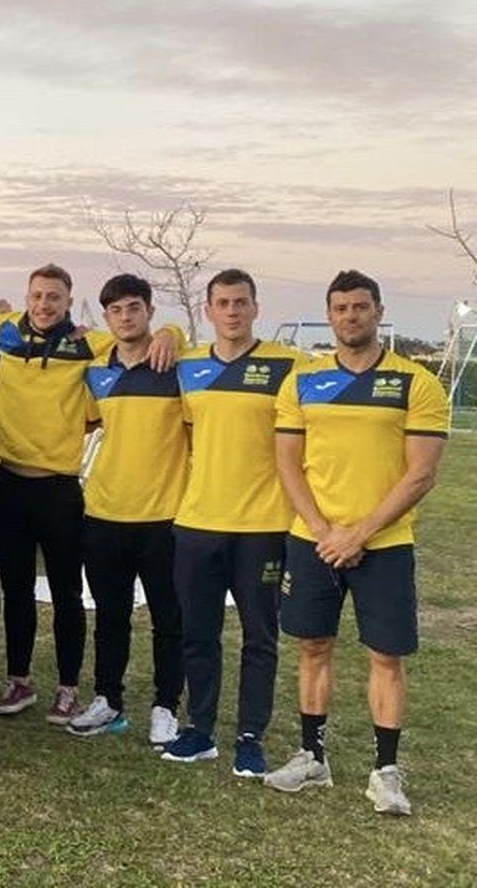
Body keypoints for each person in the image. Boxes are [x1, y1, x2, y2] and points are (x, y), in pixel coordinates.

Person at [264, 270, 449, 815]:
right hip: (314, 541)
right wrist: (325, 533)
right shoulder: (303, 382)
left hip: (384, 544)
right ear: (329, 315)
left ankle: (386, 771)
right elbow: (287, 464)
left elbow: (420, 475)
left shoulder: (415, 382)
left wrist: (360, 533)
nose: (351, 316)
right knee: (312, 646)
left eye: (361, 307)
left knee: (385, 655)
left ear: (378, 311)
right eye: (341, 308)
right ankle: (311, 755)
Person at [0, 264, 177, 726]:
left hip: (59, 488)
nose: (44, 304)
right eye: (37, 296)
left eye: (54, 297)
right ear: (26, 297)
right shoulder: (3, 330)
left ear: (69, 302)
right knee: (16, 590)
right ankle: (20, 678)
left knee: (68, 594)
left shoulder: (91, 343)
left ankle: (69, 688)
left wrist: (171, 330)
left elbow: (148, 336)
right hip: (8, 481)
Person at [159, 269, 303, 777]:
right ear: (209, 311)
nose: (233, 311)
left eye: (241, 302)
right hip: (197, 523)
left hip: (263, 526)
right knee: (197, 632)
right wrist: (169, 332)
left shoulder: (291, 366)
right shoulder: (187, 366)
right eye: (223, 303)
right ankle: (199, 730)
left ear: (256, 308)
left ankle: (249, 736)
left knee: (259, 636)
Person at [67, 275, 187, 744]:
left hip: (165, 516)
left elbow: (182, 338)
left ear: (150, 311)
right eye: (115, 310)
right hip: (105, 512)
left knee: (167, 618)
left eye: (134, 308)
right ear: (108, 317)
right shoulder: (97, 371)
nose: (125, 317)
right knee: (111, 615)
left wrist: (172, 334)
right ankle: (108, 701)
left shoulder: (175, 366)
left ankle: (165, 706)